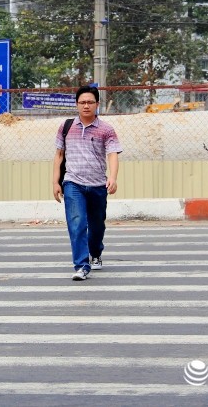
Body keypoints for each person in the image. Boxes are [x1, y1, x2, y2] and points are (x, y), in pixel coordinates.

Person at [52, 85, 122, 281]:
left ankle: (96, 253)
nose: (86, 106)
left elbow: (113, 154)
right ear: (76, 104)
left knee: (97, 225)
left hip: (98, 184)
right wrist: (55, 182)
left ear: (97, 104)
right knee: (77, 223)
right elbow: (58, 155)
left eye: (90, 102)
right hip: (72, 183)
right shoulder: (66, 127)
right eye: (82, 102)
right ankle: (82, 265)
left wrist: (113, 177)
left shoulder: (106, 129)